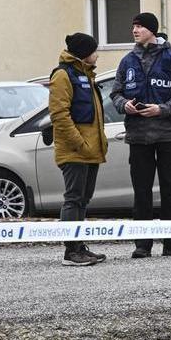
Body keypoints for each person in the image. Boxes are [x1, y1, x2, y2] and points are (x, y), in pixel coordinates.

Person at [109, 12, 171, 258]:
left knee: (170, 190)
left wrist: (162, 109)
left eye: (140, 26)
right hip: (138, 136)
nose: (135, 30)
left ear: (152, 31)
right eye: (133, 26)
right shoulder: (127, 61)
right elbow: (115, 93)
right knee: (141, 191)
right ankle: (142, 245)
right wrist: (124, 104)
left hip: (167, 134)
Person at [49, 33, 108, 267]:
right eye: (94, 50)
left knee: (83, 199)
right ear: (84, 53)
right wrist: (79, 144)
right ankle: (70, 251)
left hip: (90, 151)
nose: (97, 55)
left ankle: (80, 245)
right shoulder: (63, 75)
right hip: (75, 151)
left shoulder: (86, 74)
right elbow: (60, 115)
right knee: (73, 199)